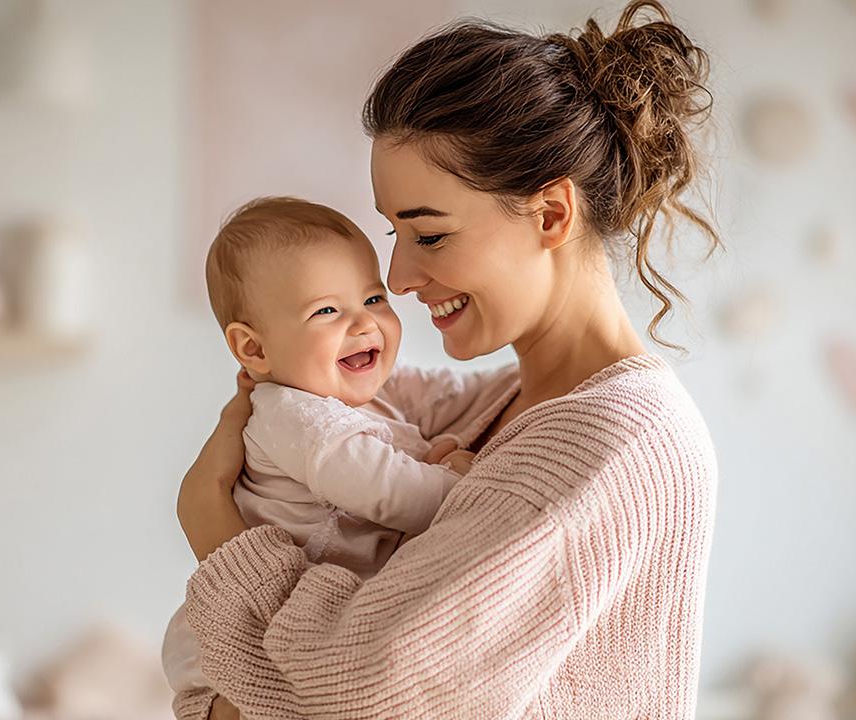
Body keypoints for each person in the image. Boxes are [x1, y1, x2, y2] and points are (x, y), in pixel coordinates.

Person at [177, 1, 721, 717]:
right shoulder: (498, 406)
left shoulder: (616, 444)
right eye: (392, 234)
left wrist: (214, 531)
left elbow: (363, 690)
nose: (397, 279)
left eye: (429, 236)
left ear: (552, 215)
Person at [161, 196, 519, 715]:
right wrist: (456, 482)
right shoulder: (291, 414)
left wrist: (547, 364)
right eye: (326, 310)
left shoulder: (371, 392)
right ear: (254, 350)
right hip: (238, 640)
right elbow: (389, 493)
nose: (363, 323)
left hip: (308, 620)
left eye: (373, 299)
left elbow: (457, 394)